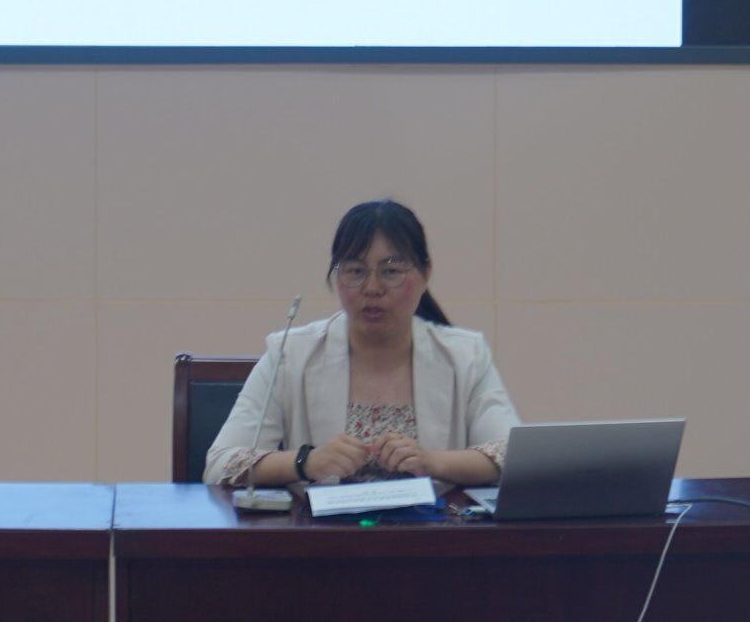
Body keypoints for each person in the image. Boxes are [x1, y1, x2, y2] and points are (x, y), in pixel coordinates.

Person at [203, 198, 518, 489]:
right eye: (355, 271)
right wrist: (306, 462)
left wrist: (432, 462)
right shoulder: (289, 355)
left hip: (431, 530)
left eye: (391, 271)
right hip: (321, 531)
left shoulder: (466, 356)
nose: (372, 288)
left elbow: (513, 456)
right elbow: (221, 464)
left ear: (425, 274)